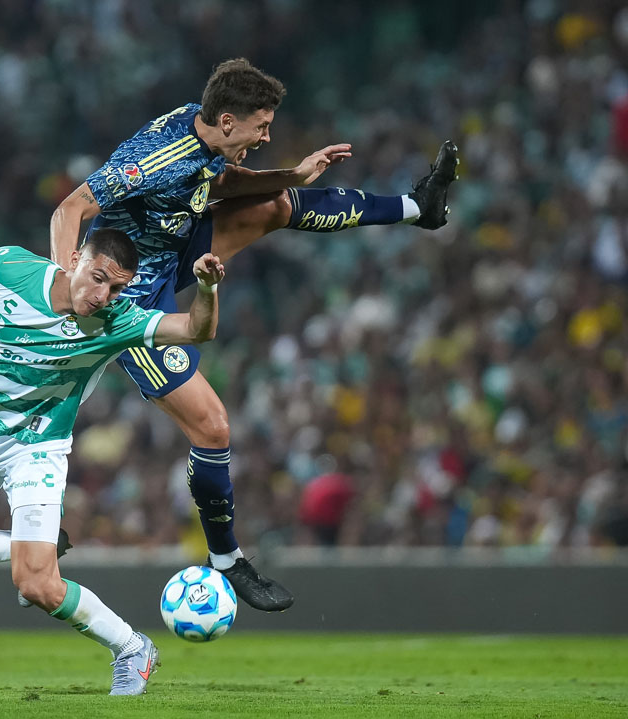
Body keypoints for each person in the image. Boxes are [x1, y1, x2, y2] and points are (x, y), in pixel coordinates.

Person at [50, 58, 460, 612]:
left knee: (276, 204)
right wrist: (62, 283)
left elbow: (221, 180)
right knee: (213, 426)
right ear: (225, 120)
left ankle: (419, 207)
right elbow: (72, 207)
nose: (266, 137)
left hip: (174, 249)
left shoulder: (203, 134)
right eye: (260, 128)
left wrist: (291, 174)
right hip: (128, 301)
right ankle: (226, 561)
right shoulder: (153, 158)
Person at [0, 229, 225, 695]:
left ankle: (131, 647)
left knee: (36, 583)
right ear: (75, 259)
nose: (103, 295)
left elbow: (197, 330)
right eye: (98, 278)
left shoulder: (118, 320)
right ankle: (29, 543)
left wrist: (206, 288)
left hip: (35, 449)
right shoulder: (11, 268)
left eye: (117, 287)